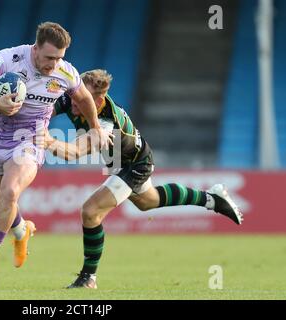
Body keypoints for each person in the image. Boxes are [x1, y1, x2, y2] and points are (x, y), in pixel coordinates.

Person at [44, 69, 243, 289]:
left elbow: (75, 153)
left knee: (90, 212)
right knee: (148, 201)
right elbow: (47, 110)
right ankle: (212, 199)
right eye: (76, 94)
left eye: (83, 98)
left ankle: (88, 278)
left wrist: (47, 141)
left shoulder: (107, 122)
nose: (75, 100)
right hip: (118, 162)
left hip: (135, 163)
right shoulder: (76, 96)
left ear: (99, 101)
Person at [0, 22, 110, 285]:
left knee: (10, 193)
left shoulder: (65, 72)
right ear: (36, 48)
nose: (54, 64)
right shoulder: (9, 59)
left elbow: (86, 98)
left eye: (59, 58)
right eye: (49, 57)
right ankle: (22, 230)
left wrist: (96, 128)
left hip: (30, 140)